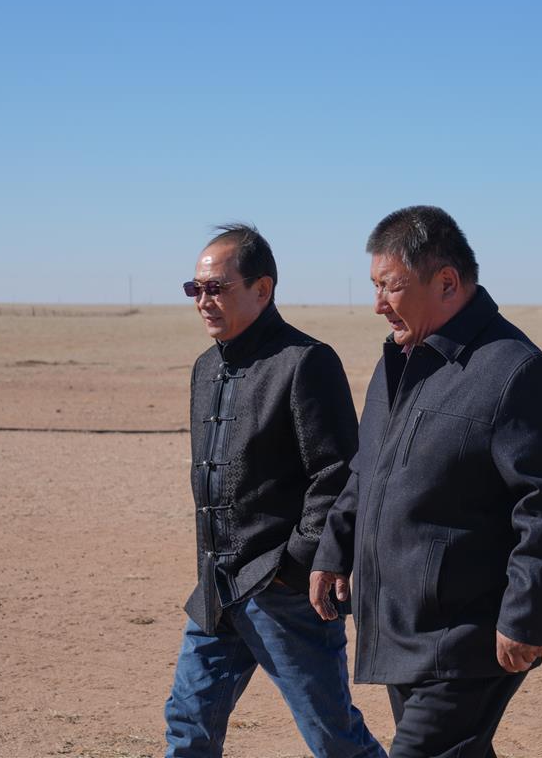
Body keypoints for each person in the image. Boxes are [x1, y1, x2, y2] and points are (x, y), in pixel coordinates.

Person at [310, 205, 542, 757]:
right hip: (402, 627)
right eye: (374, 286)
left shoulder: (516, 374)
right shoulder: (400, 362)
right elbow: (368, 468)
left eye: (391, 286)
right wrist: (333, 550)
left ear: (446, 282)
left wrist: (526, 615)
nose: (377, 304)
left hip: (466, 637)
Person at [164, 224, 385, 758]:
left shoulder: (305, 361)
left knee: (333, 736)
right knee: (189, 723)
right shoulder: (206, 367)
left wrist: (293, 565)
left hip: (282, 591)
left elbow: (337, 474)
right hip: (217, 587)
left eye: (216, 288)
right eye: (195, 289)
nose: (203, 301)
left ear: (262, 289)